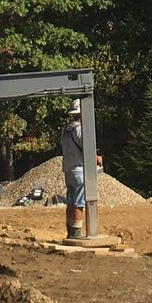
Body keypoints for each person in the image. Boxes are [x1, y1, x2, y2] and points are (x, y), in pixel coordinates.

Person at [60, 100, 90, 240]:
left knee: (71, 202)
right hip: (79, 170)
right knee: (79, 203)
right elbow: (87, 149)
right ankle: (76, 235)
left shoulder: (66, 129)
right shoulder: (79, 129)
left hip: (68, 170)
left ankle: (70, 233)